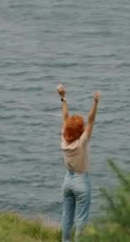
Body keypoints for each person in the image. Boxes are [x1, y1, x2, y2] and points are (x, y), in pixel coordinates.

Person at [56, 84, 100, 241]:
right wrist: (95, 103)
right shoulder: (82, 142)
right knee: (81, 219)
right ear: (80, 131)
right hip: (81, 181)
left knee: (67, 216)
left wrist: (62, 96)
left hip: (67, 180)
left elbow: (65, 117)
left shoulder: (64, 140)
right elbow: (91, 119)